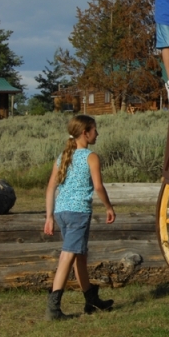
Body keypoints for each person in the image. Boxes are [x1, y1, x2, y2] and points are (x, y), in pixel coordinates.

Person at [43, 115, 116, 320]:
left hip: (61, 212)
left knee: (79, 256)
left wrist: (49, 216)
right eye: (94, 129)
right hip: (78, 213)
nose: (97, 133)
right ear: (85, 133)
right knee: (68, 256)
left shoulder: (63, 156)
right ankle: (53, 308)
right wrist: (109, 207)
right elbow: (98, 187)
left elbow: (50, 188)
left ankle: (91, 300)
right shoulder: (91, 157)